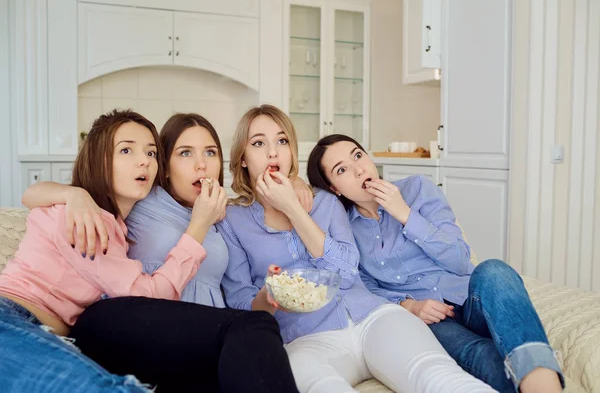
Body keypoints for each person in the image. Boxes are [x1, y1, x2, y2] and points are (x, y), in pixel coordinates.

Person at [219, 104, 496, 393]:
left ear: (292, 153)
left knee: (436, 375)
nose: (273, 152)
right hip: (306, 338)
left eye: (282, 141)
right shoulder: (231, 221)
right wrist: (268, 297)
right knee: (318, 385)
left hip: (375, 317)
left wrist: (293, 210)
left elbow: (347, 272)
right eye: (259, 143)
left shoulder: (326, 202)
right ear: (243, 159)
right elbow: (240, 303)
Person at [20, 111, 299, 393]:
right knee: (254, 328)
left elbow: (240, 291)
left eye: (210, 153)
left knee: (248, 341)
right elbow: (37, 194)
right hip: (134, 326)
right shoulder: (143, 199)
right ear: (164, 167)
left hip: (201, 337)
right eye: (186, 153)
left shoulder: (219, 213)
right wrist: (74, 194)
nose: (201, 165)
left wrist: (297, 185)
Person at [306, 133, 565, 393]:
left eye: (358, 155)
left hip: (469, 298)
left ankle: (544, 383)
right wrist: (408, 305)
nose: (359, 169)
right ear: (334, 189)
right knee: (479, 354)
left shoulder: (417, 189)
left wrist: (405, 214)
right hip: (431, 320)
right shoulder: (345, 229)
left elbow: (461, 260)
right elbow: (364, 287)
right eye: (342, 169)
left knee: (495, 270)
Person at [0, 109, 187, 392]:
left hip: (40, 331)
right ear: (100, 161)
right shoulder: (87, 220)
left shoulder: (111, 226)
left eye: (151, 153)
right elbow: (149, 295)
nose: (144, 162)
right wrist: (196, 232)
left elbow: (32, 194)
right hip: (10, 317)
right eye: (126, 150)